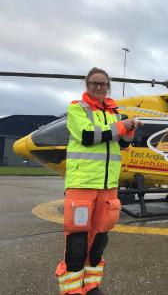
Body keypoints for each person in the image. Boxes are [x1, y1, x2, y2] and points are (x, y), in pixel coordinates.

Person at [55, 67, 140, 295]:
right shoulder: (76, 108)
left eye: (103, 83)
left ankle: (92, 284)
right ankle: (72, 289)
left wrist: (128, 135)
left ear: (108, 86)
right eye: (94, 83)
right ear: (87, 84)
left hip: (108, 186)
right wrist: (122, 126)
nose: (99, 87)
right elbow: (88, 136)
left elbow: (119, 144)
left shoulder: (114, 113)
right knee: (77, 241)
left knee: (100, 238)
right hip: (82, 183)